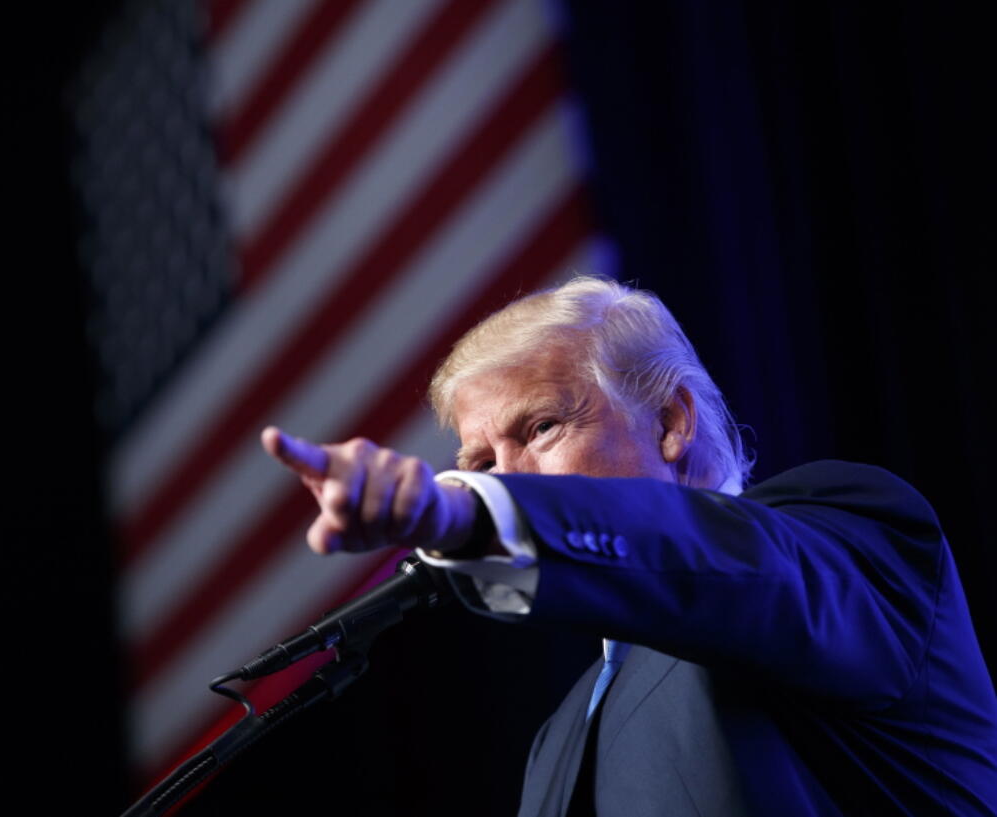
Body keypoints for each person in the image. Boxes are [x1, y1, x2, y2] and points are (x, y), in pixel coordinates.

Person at [260, 275, 997, 816]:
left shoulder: (859, 536)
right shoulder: (556, 744)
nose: (508, 477)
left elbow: (733, 567)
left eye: (541, 427)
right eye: (479, 466)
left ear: (670, 420)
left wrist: (457, 514)